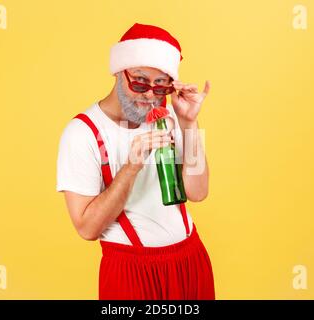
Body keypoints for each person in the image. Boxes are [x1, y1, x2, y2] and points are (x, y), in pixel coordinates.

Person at [56, 22, 215, 299]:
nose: (149, 96)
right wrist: (130, 167)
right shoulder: (82, 133)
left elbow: (198, 192)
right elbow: (87, 228)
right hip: (131, 273)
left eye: (160, 86)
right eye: (140, 82)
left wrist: (189, 123)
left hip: (190, 260)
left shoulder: (169, 115)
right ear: (119, 71)